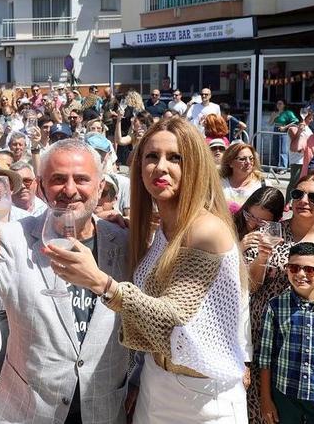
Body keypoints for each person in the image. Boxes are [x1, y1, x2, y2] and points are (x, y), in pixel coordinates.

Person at [48, 117, 248, 422]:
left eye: (175, 158)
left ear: (194, 165)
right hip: (156, 384)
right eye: (151, 156)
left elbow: (171, 320)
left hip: (205, 401)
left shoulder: (206, 229)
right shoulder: (163, 229)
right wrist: (126, 232)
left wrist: (103, 283)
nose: (161, 167)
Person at [0, 138, 131, 424]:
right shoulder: (14, 237)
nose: (70, 190)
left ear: (100, 187)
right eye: (58, 179)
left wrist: (135, 380)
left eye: (82, 179)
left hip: (103, 410)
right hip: (29, 412)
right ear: (41, 185)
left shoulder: (124, 242)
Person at [245, 175, 314, 423]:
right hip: (261, 333)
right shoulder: (270, 232)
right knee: (261, 408)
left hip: (305, 342)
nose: (303, 200)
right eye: (297, 194)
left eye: (313, 197)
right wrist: (263, 256)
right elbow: (248, 286)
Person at [257, 242, 314, 424]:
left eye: (310, 269)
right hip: (285, 396)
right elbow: (265, 357)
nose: (300, 274)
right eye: (294, 267)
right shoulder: (276, 306)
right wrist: (266, 400)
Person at [220, 144, 264, 212]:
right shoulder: (219, 184)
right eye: (242, 159)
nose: (248, 162)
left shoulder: (262, 185)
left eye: (251, 158)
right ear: (230, 162)